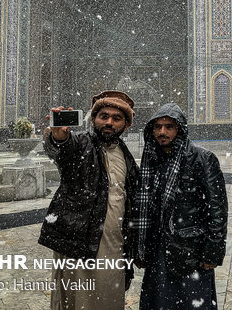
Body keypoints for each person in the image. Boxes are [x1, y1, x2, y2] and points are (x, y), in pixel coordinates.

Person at [38, 90, 140, 310]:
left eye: (116, 118)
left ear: (126, 125)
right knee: (77, 301)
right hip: (79, 245)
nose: (109, 122)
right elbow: (61, 150)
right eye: (104, 116)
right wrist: (58, 136)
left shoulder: (125, 156)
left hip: (114, 246)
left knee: (109, 301)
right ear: (93, 119)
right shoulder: (81, 145)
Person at [133, 103, 228, 310]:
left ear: (180, 130)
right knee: (160, 302)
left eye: (169, 127)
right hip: (159, 248)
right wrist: (140, 247)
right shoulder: (152, 160)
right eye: (158, 127)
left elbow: (217, 209)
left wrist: (213, 252)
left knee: (191, 302)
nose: (162, 132)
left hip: (190, 250)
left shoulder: (202, 159)